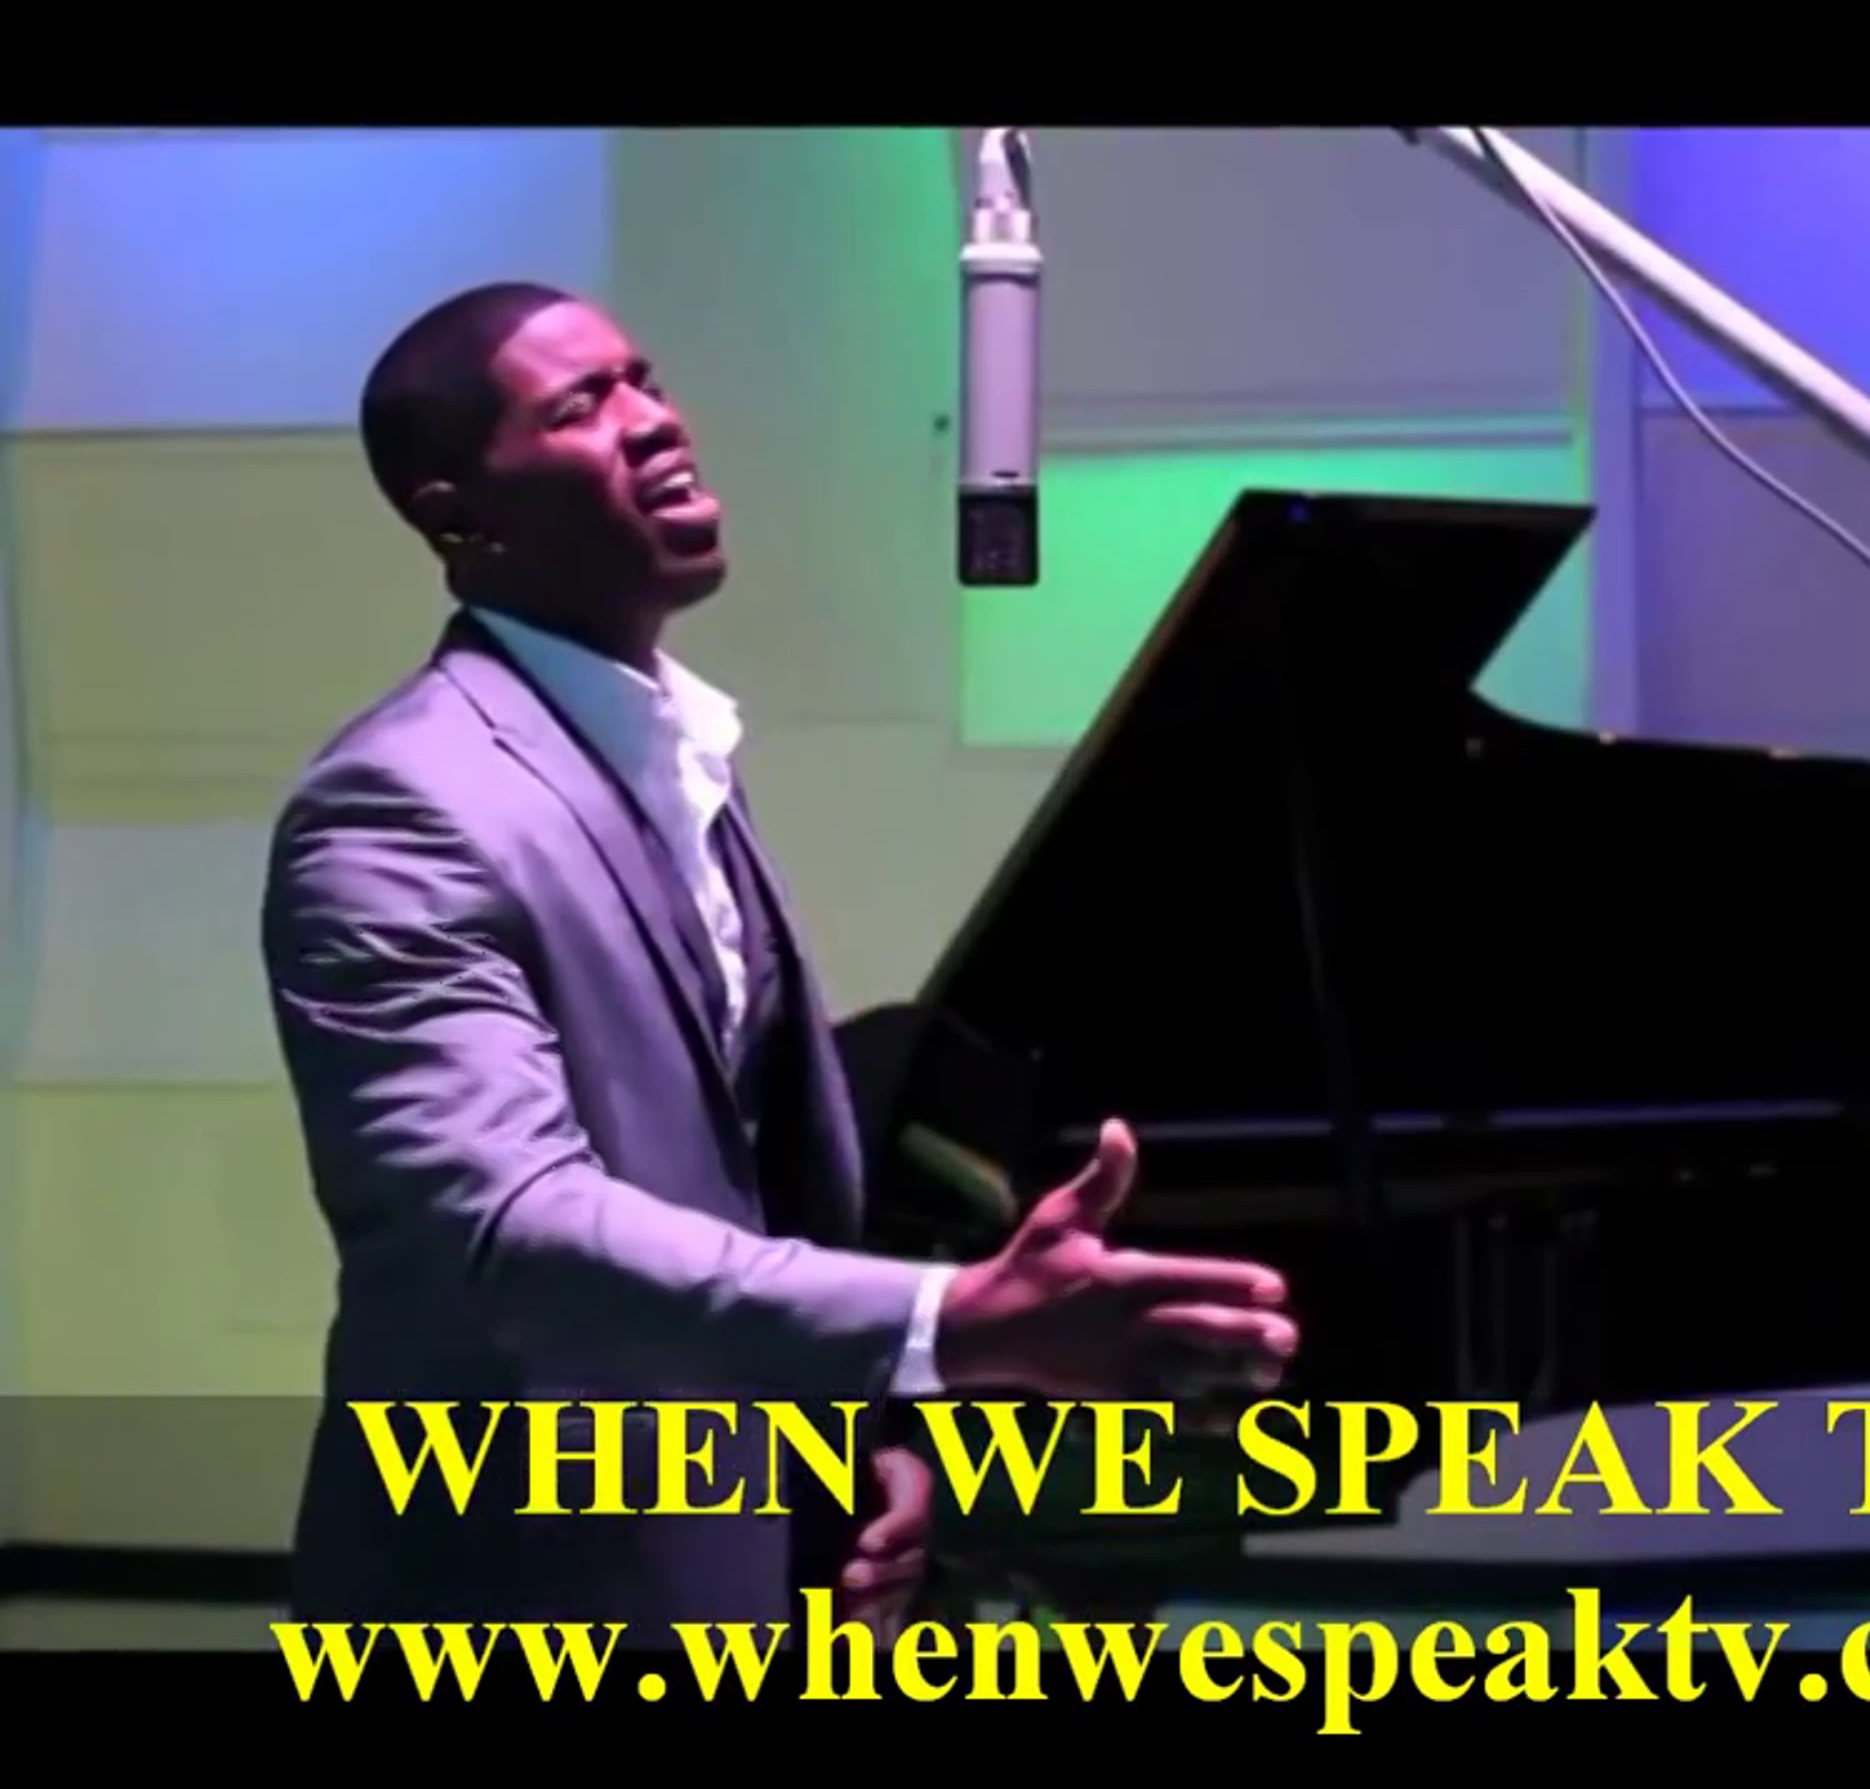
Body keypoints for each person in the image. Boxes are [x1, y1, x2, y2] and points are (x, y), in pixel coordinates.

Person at [260, 281, 1297, 1645]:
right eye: (579, 407)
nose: (652, 422)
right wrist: (949, 1317)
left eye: (644, 380)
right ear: (457, 516)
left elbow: (754, 1193)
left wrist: (872, 1442)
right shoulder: (401, 807)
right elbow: (501, 1226)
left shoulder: (668, 755)